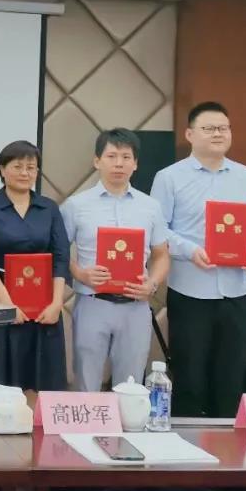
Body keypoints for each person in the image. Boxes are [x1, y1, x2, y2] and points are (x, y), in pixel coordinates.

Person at [151, 101, 246, 417]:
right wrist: (190, 250)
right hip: (190, 291)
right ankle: (188, 442)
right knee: (190, 373)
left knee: (232, 373)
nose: (218, 133)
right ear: (190, 134)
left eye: (224, 128)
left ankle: (227, 442)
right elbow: (158, 229)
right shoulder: (169, 177)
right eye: (209, 128)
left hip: (237, 291)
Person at [61, 128, 170, 391]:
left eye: (126, 157)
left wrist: (152, 284)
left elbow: (161, 255)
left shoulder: (151, 206)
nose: (119, 163)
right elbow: (58, 254)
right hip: (92, 302)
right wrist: (80, 273)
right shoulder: (75, 205)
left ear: (136, 163)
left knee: (130, 387)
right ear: (97, 161)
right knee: (86, 383)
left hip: (136, 305)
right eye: (111, 156)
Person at [0, 141, 70, 391]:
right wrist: (9, 307)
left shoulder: (49, 208)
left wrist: (57, 303)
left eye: (31, 167)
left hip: (43, 305)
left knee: (43, 383)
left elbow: (61, 257)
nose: (25, 173)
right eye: (17, 166)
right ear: (2, 170)